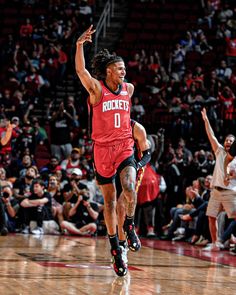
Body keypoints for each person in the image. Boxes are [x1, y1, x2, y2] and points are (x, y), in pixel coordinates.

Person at [75, 25, 139, 277]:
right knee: (110, 202)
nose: (124, 71)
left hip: (124, 146)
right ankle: (115, 247)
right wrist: (80, 45)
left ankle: (130, 226)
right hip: (102, 149)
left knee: (130, 188)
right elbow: (81, 70)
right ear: (109, 70)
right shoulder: (96, 89)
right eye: (120, 68)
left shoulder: (129, 89)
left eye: (124, 68)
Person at [201, 107, 236, 251]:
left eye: (231, 141)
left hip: (230, 191)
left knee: (234, 217)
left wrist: (232, 176)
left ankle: (230, 240)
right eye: (227, 140)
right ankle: (215, 243)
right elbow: (211, 135)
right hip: (215, 190)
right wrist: (206, 120)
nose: (228, 142)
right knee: (211, 217)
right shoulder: (219, 151)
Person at [116, 119, 151, 263]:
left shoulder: (136, 128)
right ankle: (121, 242)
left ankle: (124, 241)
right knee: (116, 209)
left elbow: (147, 154)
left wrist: (138, 165)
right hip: (114, 167)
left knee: (121, 205)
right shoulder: (109, 123)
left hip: (132, 168)